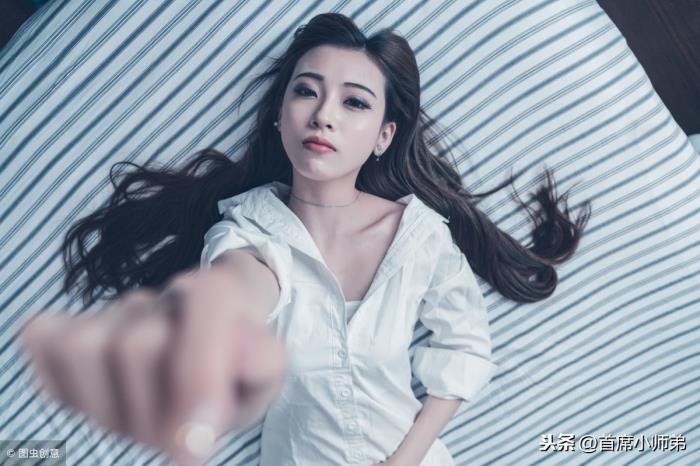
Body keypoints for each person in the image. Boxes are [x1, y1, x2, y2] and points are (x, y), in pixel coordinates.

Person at [19, 12, 591, 466]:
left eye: (354, 102)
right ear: (279, 116)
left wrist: (406, 459)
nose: (323, 116)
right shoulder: (248, 229)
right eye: (306, 92)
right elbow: (242, 283)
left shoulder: (417, 235)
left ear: (383, 136)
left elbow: (466, 347)